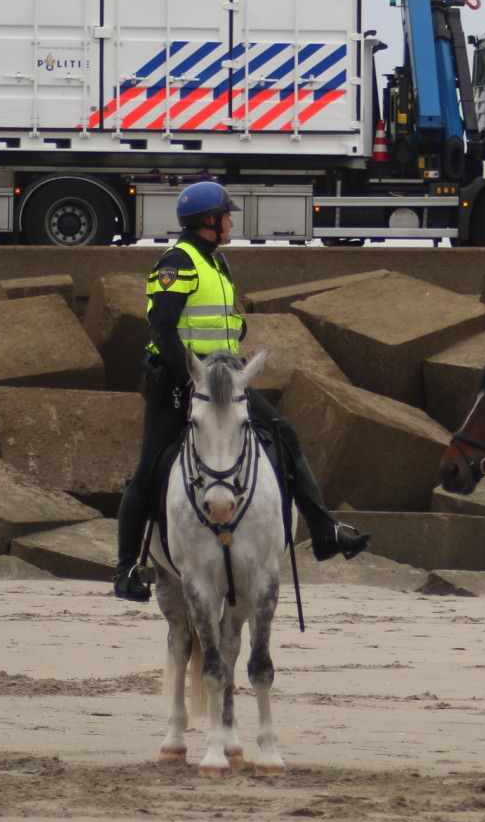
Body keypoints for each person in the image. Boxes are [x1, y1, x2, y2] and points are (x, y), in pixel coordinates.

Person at [112, 181, 369, 602]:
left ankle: (325, 530)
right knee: (148, 469)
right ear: (208, 221)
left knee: (284, 435)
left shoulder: (218, 262)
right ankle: (125, 569)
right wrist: (192, 376)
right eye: (227, 215)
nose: (232, 220)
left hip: (226, 381)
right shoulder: (177, 263)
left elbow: (216, 322)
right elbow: (162, 330)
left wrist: (234, 336)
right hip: (178, 382)